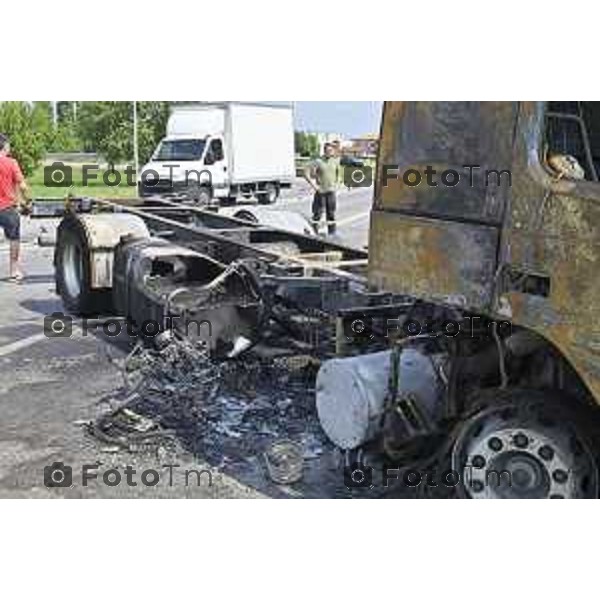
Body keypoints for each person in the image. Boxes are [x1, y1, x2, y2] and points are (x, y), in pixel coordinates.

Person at [0, 133, 29, 281]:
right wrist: (26, 200)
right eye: (8, 144)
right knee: (14, 239)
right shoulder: (11, 163)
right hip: (7, 208)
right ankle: (14, 271)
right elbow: (22, 186)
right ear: (4, 145)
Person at [304, 142, 341, 235]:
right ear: (324, 151)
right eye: (328, 150)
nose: (330, 152)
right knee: (317, 215)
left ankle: (332, 234)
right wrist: (315, 186)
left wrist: (336, 185)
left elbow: (338, 174)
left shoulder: (335, 161)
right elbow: (306, 172)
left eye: (331, 150)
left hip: (331, 192)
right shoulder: (318, 161)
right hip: (320, 192)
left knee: (331, 215)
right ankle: (314, 233)